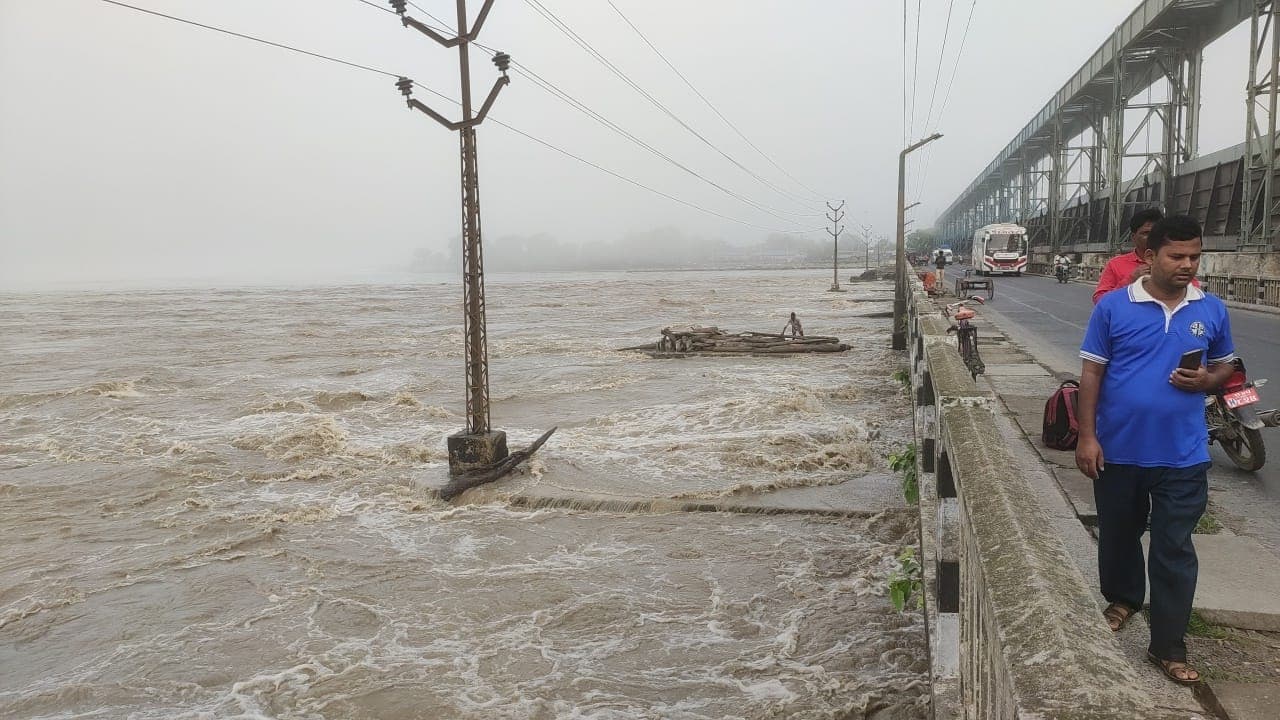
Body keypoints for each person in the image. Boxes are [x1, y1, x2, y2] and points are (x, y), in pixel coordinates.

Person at [1075, 214, 1236, 686]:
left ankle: (1168, 646)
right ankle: (1124, 599)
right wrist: (1088, 436)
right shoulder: (1113, 309)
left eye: (1194, 257)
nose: (1187, 265)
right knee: (1120, 535)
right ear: (1149, 256)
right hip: (1119, 450)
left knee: (1173, 548)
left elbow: (1226, 363)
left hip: (1183, 456)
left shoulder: (1211, 309)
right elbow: (1092, 374)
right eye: (1177, 256)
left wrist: (1208, 380)